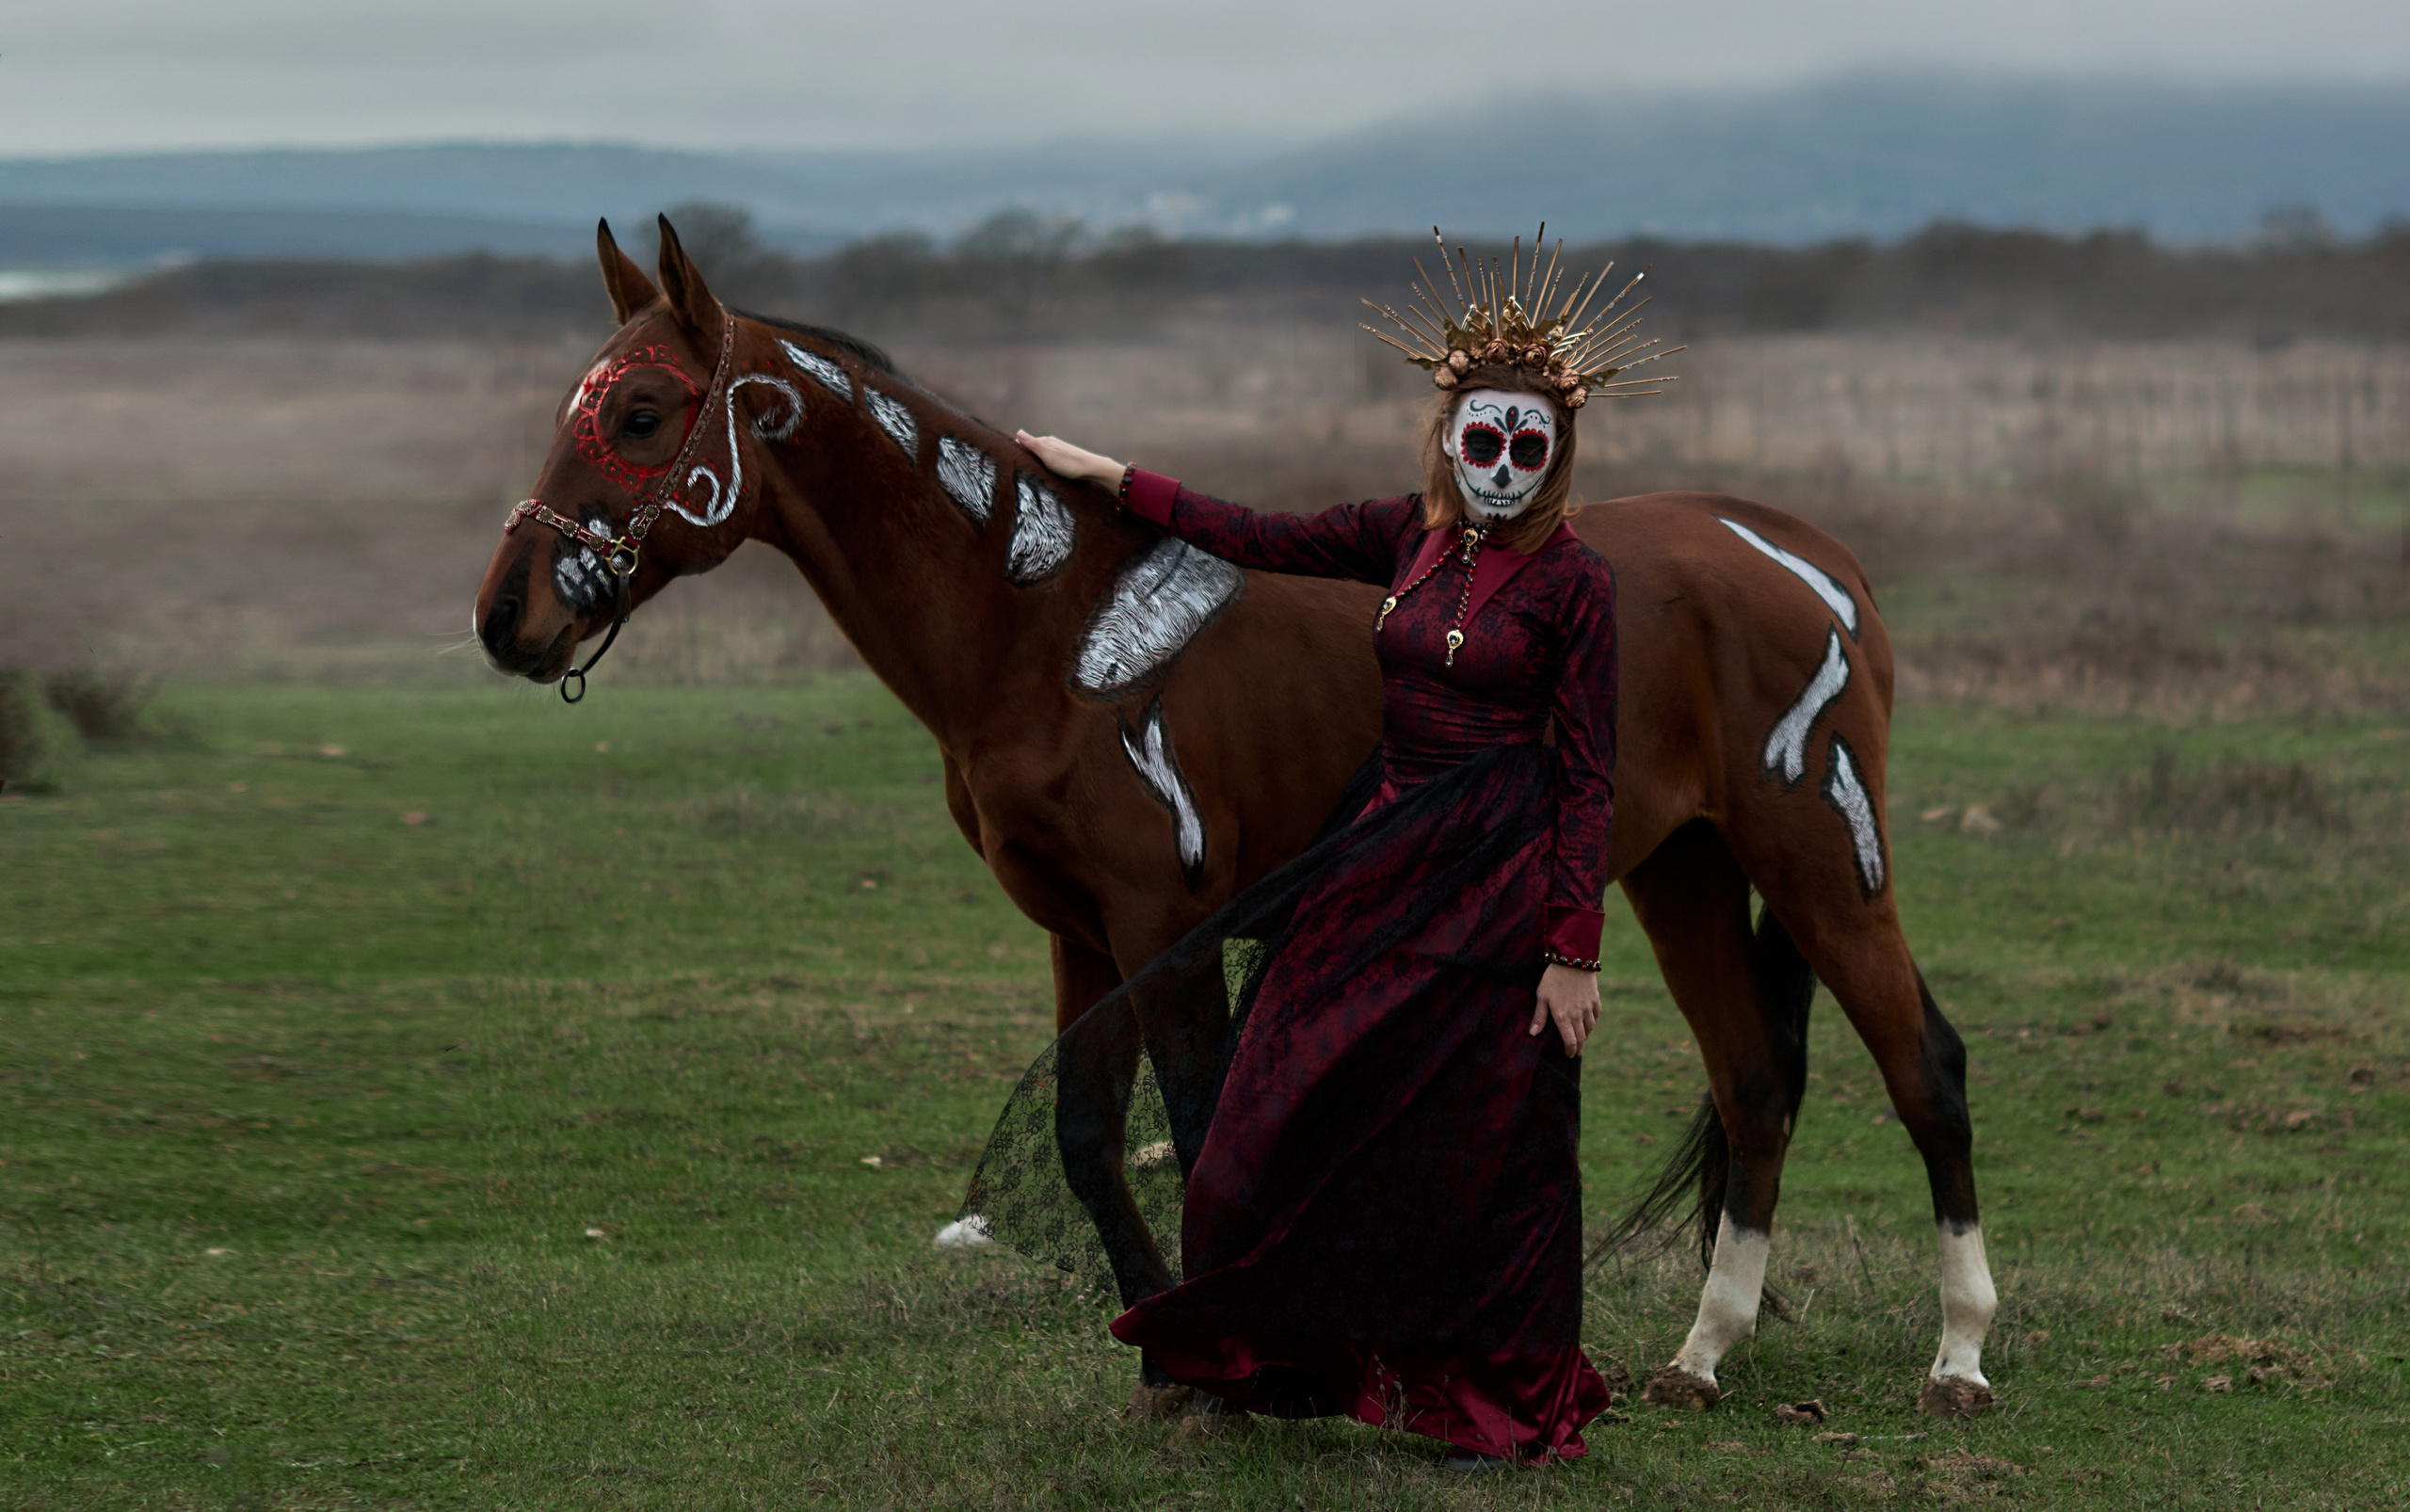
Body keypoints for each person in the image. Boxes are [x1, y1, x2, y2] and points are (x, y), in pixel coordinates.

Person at [1010, 235, 1672, 1471]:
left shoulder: (1576, 584)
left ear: (1558, 451)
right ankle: (1285, 1346)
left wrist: (1570, 950)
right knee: (1269, 1106)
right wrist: (1110, 475)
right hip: (1380, 854)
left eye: (1529, 448)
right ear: (1450, 439)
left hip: (1496, 879)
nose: (1504, 468)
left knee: (1480, 1149)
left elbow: (1588, 774)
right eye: (1485, 442)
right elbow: (1248, 533)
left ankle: (1483, 1399)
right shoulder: (1402, 538)